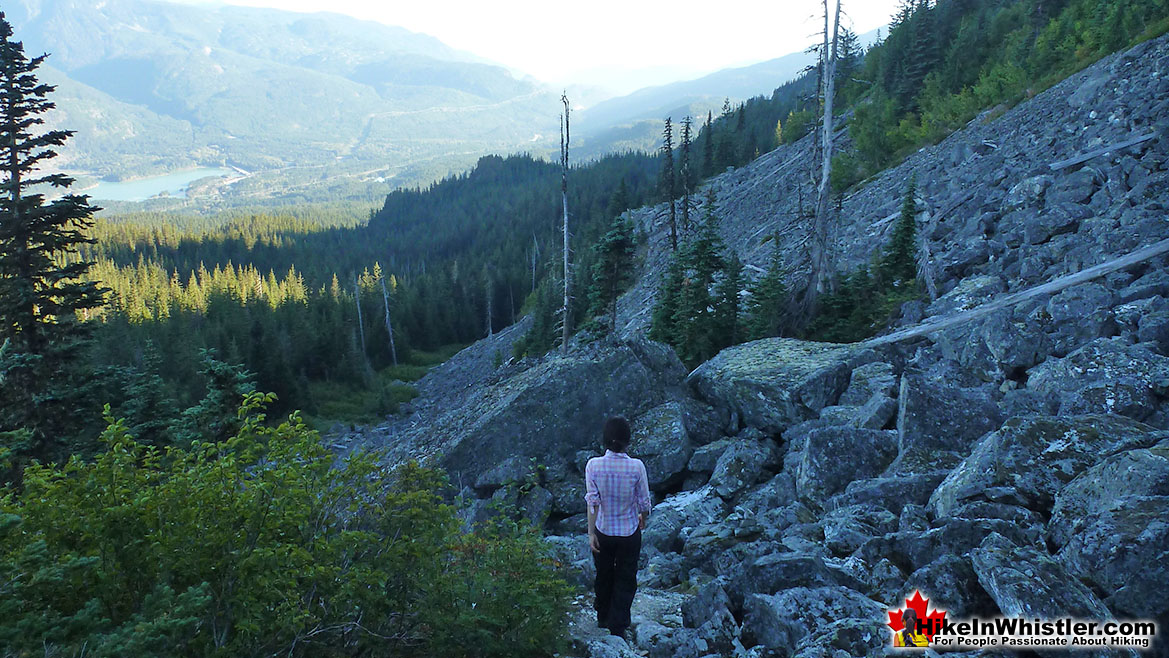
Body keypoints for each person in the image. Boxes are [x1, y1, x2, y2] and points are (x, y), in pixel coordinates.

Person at [585, 416, 651, 640]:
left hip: (603, 529)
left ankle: (602, 616)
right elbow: (644, 503)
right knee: (625, 577)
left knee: (603, 574)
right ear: (627, 441)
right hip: (629, 531)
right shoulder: (636, 467)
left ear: (605, 440)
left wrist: (591, 532)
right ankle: (618, 624)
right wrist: (643, 517)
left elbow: (592, 502)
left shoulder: (593, 465)